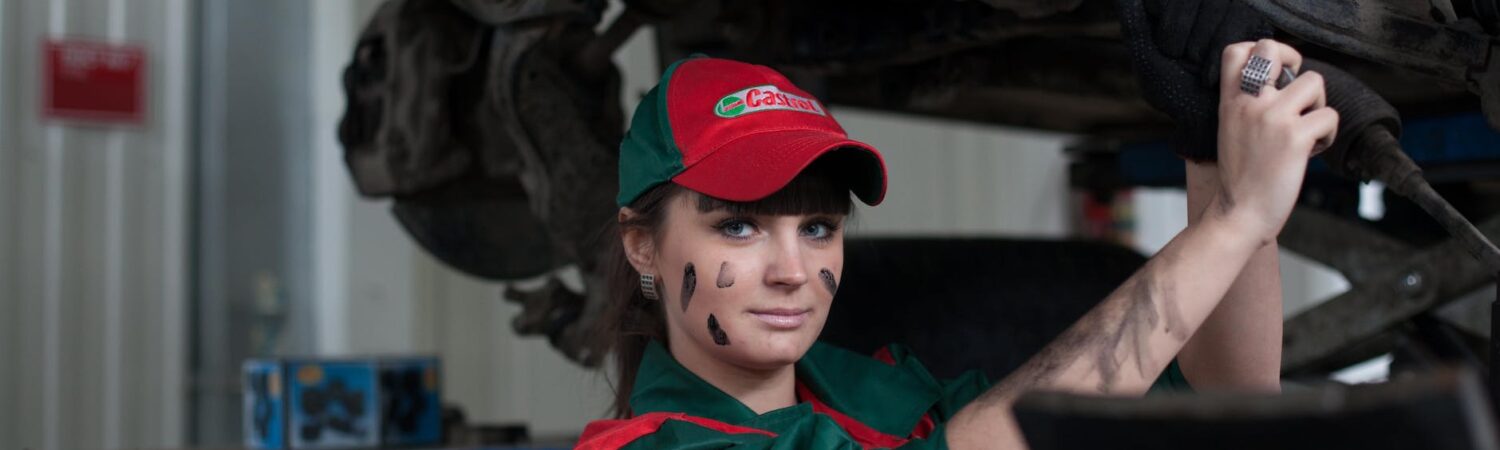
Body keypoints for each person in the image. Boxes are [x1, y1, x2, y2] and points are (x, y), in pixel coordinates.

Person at [577, 38, 1337, 449]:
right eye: (737, 225)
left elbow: (1221, 403)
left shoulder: (885, 398)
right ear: (643, 246)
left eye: (818, 228)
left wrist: (1212, 142)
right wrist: (1233, 218)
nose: (793, 272)